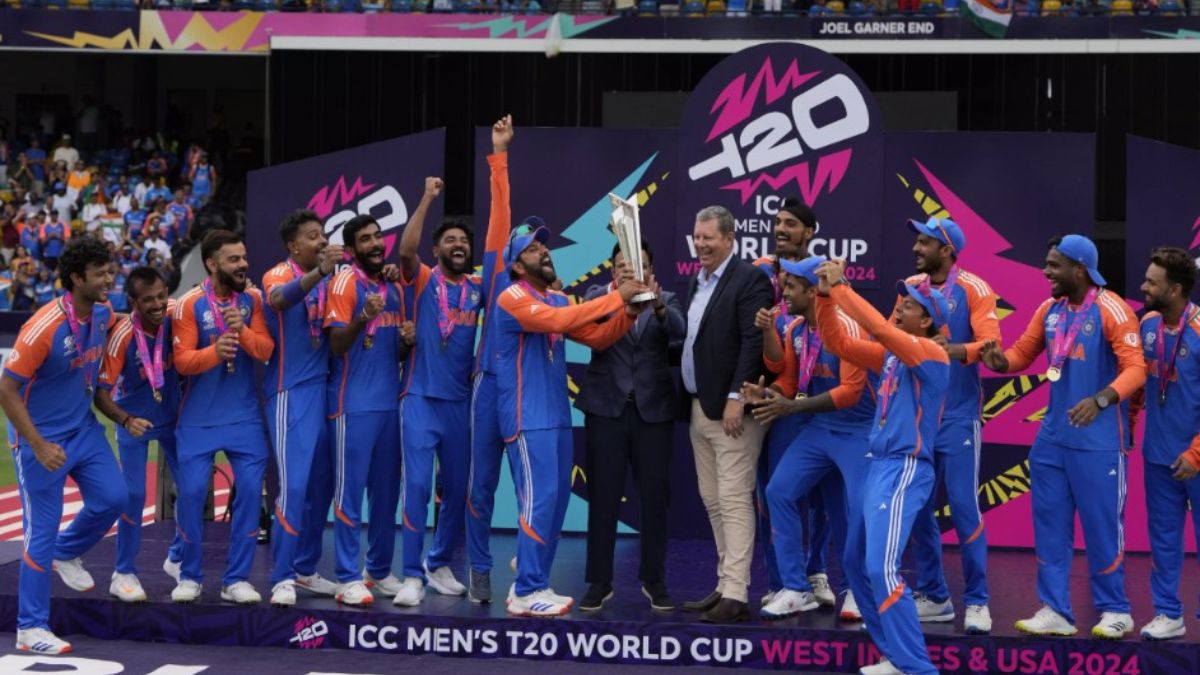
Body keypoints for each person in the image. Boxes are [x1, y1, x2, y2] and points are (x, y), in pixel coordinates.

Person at [980, 234, 1144, 639]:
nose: (1045, 271)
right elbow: (1021, 354)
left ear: (1080, 269)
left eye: (1054, 265)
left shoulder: (1112, 309)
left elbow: (1136, 370)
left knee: (1104, 528)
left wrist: (1102, 400)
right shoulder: (1049, 310)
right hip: (1052, 439)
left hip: (1099, 442)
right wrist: (1001, 362)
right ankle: (1055, 609)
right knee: (1049, 526)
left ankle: (1115, 610)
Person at [495, 220, 646, 616]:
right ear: (516, 264)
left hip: (557, 416)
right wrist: (618, 296)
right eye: (531, 249)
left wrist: (628, 311)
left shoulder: (557, 299)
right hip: (525, 417)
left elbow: (596, 337)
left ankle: (532, 584)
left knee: (557, 502)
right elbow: (558, 323)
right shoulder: (511, 296)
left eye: (544, 246)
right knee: (538, 501)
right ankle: (527, 589)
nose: (543, 252)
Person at [816, 258, 950, 675]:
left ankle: (917, 667)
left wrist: (840, 288)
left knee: (881, 567)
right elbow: (837, 342)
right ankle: (894, 654)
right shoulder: (892, 358)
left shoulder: (930, 353)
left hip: (906, 469)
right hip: (879, 466)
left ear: (926, 319)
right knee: (855, 562)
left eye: (908, 304)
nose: (899, 306)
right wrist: (823, 298)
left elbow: (877, 328)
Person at [0, 237, 123, 654]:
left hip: (84, 428)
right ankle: (30, 628)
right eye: (101, 273)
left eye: (111, 270)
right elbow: (6, 389)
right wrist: (36, 444)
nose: (110, 279)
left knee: (114, 497)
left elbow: (128, 323)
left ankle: (66, 553)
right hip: (41, 439)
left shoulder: (104, 312)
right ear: (76, 277)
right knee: (40, 532)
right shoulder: (43, 327)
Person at [742, 255, 875, 622]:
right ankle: (797, 588)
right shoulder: (797, 330)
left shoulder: (847, 326)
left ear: (813, 290)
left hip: (858, 431)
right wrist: (770, 396)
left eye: (790, 286)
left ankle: (858, 591)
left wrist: (791, 408)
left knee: (849, 512)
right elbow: (788, 380)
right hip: (820, 430)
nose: (783, 292)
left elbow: (850, 391)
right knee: (778, 491)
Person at [900, 217, 1000, 634]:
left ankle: (977, 601)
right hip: (921, 416)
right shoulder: (910, 286)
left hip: (959, 417)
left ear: (947, 249)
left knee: (962, 507)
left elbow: (990, 343)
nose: (917, 248)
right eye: (917, 240)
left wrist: (954, 349)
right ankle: (935, 596)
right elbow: (891, 334)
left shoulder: (974, 288)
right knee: (920, 509)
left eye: (925, 242)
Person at [576, 241, 684, 613]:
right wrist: (618, 297)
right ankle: (598, 581)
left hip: (652, 413)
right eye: (623, 266)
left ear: (651, 270)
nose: (629, 271)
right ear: (612, 270)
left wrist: (655, 304)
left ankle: (654, 579)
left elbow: (679, 332)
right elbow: (586, 322)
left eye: (638, 266)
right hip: (605, 411)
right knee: (603, 497)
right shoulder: (596, 296)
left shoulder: (666, 299)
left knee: (655, 499)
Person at [679, 205, 774, 624]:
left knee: (734, 500)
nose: (701, 244)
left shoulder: (750, 279)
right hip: (700, 407)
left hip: (733, 412)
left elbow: (754, 342)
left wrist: (737, 395)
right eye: (697, 237)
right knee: (713, 500)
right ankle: (724, 583)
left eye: (709, 238)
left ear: (730, 239)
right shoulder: (695, 281)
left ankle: (736, 592)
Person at [170, 229, 274, 605]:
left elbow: (264, 351)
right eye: (233, 259)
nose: (243, 264)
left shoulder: (254, 300)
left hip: (244, 418)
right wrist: (215, 351)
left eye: (244, 257)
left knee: (249, 492)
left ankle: (237, 579)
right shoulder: (188, 305)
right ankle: (189, 574)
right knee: (193, 494)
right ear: (212, 264)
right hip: (197, 420)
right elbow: (182, 361)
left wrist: (242, 331)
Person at [393, 177, 483, 606]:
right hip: (420, 399)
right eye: (450, 240)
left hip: (460, 404)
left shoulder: (478, 289)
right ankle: (411, 574)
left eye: (464, 240)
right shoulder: (424, 280)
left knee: (457, 489)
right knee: (416, 489)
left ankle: (439, 562)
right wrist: (427, 196)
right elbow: (405, 252)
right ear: (438, 250)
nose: (458, 245)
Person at [750, 197, 839, 616]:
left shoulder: (826, 274)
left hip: (821, 402)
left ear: (811, 230)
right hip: (778, 397)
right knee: (774, 493)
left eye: (790, 223)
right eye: (777, 222)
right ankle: (782, 581)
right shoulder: (759, 269)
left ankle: (816, 570)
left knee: (824, 496)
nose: (781, 229)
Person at [324, 215, 414, 606]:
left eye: (378, 236)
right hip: (351, 404)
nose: (376, 244)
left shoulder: (391, 285)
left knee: (386, 492)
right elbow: (336, 345)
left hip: (387, 404)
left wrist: (407, 344)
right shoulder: (345, 282)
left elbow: (388, 350)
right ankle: (346, 575)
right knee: (349, 493)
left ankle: (376, 570)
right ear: (352, 249)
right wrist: (363, 315)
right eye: (366, 239)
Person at [261, 210, 344, 607]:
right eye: (314, 236)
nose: (322, 240)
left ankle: (306, 569)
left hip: (325, 391)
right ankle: (281, 577)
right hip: (289, 392)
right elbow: (279, 299)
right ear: (294, 246)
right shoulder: (278, 273)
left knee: (322, 485)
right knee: (293, 487)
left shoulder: (330, 279)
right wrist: (318, 274)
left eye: (324, 234)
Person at [95, 266, 183, 603]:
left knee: (190, 488)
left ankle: (177, 559)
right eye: (148, 300)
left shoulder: (177, 314)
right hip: (134, 420)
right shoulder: (122, 336)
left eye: (162, 295)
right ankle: (124, 572)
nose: (158, 304)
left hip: (175, 418)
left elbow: (201, 299)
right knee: (132, 495)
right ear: (133, 302)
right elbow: (101, 393)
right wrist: (126, 419)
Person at [466, 115, 518, 604]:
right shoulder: (494, 275)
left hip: (524, 397)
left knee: (529, 489)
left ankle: (529, 568)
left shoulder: (546, 294)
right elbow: (499, 213)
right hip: (487, 388)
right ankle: (479, 568)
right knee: (480, 486)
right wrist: (499, 156)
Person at [1136, 246, 1200, 641]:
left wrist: (1196, 453)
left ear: (1174, 289)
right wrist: (1128, 425)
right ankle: (1167, 613)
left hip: (1197, 457)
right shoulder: (1148, 326)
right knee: (1163, 541)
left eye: (1151, 282)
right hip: (1158, 456)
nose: (1143, 286)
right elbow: (1141, 384)